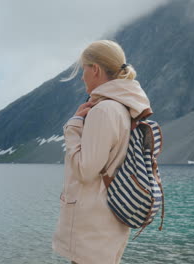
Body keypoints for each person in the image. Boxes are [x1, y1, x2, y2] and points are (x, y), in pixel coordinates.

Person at [52, 40, 152, 264]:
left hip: (92, 228)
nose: (81, 77)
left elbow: (86, 171)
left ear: (95, 69)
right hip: (108, 222)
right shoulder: (123, 108)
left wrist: (73, 126)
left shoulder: (104, 110)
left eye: (83, 69)